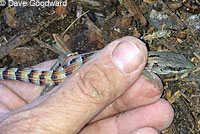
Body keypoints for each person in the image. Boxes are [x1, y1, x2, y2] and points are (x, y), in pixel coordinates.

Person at [0, 36, 174, 134]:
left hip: (62, 71)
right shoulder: (142, 65)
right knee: (49, 82)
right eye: (177, 70)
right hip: (56, 78)